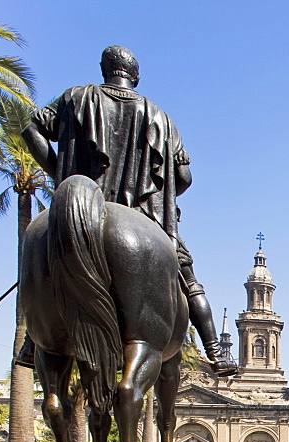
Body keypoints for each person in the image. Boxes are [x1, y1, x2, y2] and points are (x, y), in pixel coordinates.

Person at [19, 45, 236, 376]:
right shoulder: (160, 118)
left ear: (104, 69)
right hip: (143, 215)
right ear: (136, 77)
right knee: (189, 282)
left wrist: (64, 180)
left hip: (74, 213)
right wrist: (157, 198)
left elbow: (31, 130)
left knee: (39, 266)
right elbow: (184, 177)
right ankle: (216, 351)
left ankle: (33, 341)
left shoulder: (75, 97)